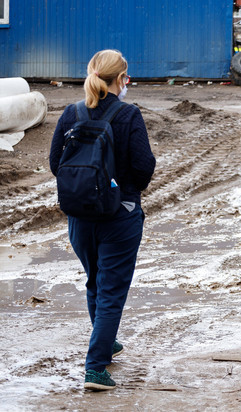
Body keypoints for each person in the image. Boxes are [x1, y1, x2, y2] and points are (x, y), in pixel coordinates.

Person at [49, 50, 156, 390]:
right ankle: (95, 368)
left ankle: (105, 343)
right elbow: (143, 167)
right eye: (126, 78)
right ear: (121, 79)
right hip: (119, 216)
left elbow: (55, 163)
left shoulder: (71, 113)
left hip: (79, 216)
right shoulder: (128, 115)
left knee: (95, 281)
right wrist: (124, 191)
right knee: (111, 290)